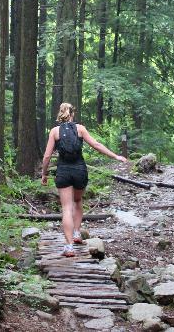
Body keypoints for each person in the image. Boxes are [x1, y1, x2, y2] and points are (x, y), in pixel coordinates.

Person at [41, 103, 127, 257]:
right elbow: (96, 144)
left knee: (66, 208)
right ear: (72, 114)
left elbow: (47, 156)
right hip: (80, 170)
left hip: (63, 171)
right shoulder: (80, 128)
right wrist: (115, 156)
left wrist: (44, 174)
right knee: (78, 201)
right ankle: (76, 234)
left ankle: (69, 247)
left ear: (60, 114)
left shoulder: (54, 131)